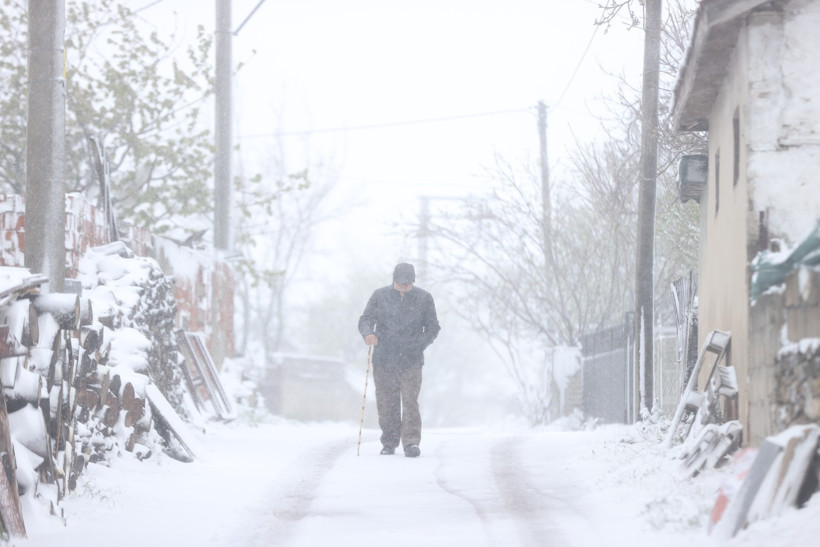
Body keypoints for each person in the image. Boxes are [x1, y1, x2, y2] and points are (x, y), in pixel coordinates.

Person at [358, 263, 441, 457]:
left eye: (407, 285)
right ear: (393, 281)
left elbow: (433, 327)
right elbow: (365, 319)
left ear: (413, 282)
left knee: (410, 401)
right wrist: (368, 334)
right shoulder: (379, 296)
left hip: (412, 360)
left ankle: (411, 442)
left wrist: (418, 345)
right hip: (384, 358)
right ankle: (389, 441)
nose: (403, 288)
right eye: (400, 284)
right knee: (387, 402)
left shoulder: (424, 298)